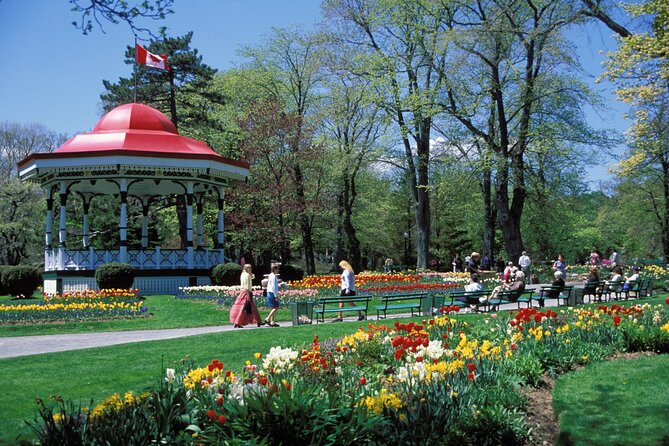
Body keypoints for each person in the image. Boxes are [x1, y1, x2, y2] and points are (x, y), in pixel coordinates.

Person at [230, 264, 262, 328]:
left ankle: (257, 321)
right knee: (248, 307)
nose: (251, 269)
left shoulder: (243, 274)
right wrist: (248, 295)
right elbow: (247, 286)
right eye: (249, 268)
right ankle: (257, 321)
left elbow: (252, 277)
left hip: (242, 291)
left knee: (242, 307)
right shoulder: (247, 275)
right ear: (246, 268)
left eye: (251, 267)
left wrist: (250, 273)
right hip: (246, 292)